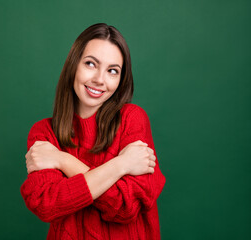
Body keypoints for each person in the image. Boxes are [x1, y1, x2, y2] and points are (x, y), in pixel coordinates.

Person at [20, 23, 166, 240]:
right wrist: (121, 165)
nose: (99, 79)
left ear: (120, 79)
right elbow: (47, 205)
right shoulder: (44, 133)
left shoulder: (132, 119)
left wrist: (61, 161)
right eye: (90, 64)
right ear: (73, 65)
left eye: (112, 71)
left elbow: (126, 207)